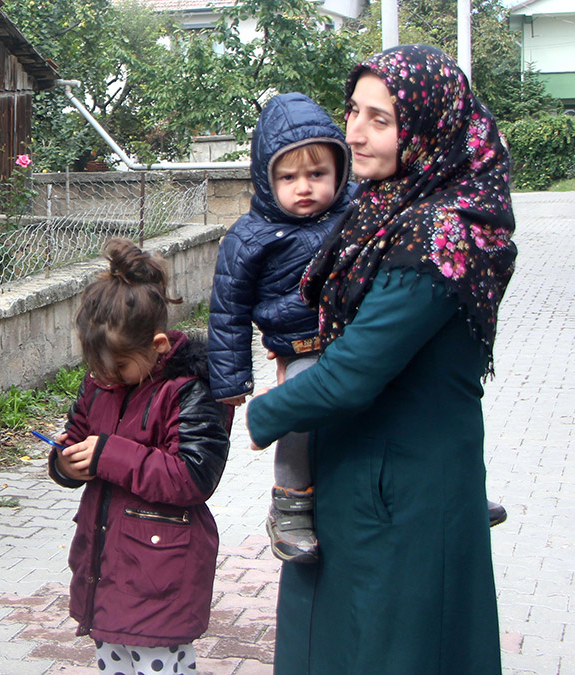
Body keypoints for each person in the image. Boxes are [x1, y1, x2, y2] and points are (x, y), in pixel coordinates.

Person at [247, 44, 515, 674]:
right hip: (355, 477)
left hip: (405, 492)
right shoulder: (382, 206)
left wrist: (265, 412)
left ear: (427, 129)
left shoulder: (442, 234)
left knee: (393, 649)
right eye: (354, 111)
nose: (356, 134)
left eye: (381, 120)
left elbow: (353, 371)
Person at [48, 238, 230, 675]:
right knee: (114, 663)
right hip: (106, 569)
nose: (107, 377)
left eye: (120, 367)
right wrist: (64, 463)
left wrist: (108, 455)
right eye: (98, 368)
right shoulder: (100, 383)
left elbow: (192, 476)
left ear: (159, 344)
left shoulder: (187, 389)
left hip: (161, 572)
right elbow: (77, 434)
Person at [207, 92, 353, 563]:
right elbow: (227, 310)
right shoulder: (249, 237)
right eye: (288, 177)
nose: (304, 187)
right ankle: (290, 505)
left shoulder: (355, 213)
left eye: (317, 174)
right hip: (302, 345)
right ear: (267, 180)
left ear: (341, 171)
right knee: (300, 408)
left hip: (358, 338)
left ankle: (444, 488)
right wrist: (231, 381)